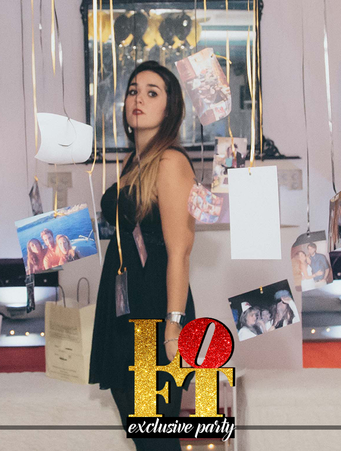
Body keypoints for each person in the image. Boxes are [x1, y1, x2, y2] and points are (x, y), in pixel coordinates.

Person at [89, 61, 196, 451]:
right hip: (123, 309)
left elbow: (179, 251)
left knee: (154, 437)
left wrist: (173, 327)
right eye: (134, 90)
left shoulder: (171, 162)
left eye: (153, 92)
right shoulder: (135, 162)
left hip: (153, 313)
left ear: (169, 108)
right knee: (142, 432)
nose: (139, 98)